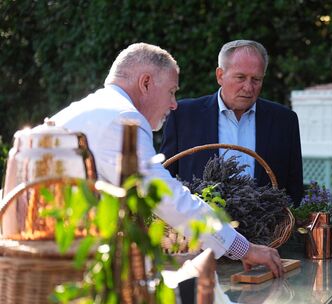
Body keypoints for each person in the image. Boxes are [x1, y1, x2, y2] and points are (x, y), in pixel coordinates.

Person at [50, 42, 284, 277]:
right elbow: (167, 197)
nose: (174, 104)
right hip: (63, 266)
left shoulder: (94, 108)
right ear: (146, 83)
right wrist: (244, 248)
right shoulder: (124, 117)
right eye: (172, 91)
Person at [160, 40, 303, 206]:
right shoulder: (183, 116)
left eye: (256, 79)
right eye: (240, 77)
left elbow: (294, 190)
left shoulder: (284, 121)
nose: (248, 87)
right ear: (220, 75)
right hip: (198, 227)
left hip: (269, 229)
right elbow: (166, 178)